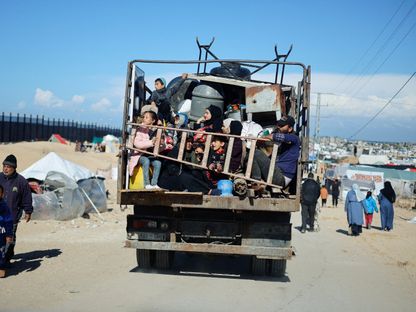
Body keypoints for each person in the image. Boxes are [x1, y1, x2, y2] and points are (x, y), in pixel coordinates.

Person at [0, 155, 33, 264]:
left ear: (14, 168)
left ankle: (7, 259)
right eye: (4, 166)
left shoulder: (21, 181)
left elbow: (27, 197)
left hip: (11, 217)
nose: (5, 168)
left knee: (9, 239)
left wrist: (28, 211)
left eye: (8, 166)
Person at [251, 115, 300, 188]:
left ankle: (257, 182)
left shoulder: (294, 138)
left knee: (256, 153)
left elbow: (276, 136)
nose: (278, 127)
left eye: (282, 126)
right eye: (279, 125)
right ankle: (258, 181)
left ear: (290, 129)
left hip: (281, 178)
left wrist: (264, 137)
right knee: (252, 154)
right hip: (276, 172)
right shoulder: (282, 143)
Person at [128, 111, 162, 189]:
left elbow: (157, 147)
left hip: (147, 154)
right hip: (137, 155)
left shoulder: (152, 131)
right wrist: (151, 142)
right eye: (144, 117)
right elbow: (137, 144)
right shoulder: (140, 129)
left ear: (152, 121)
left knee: (158, 163)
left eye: (146, 117)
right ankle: (147, 184)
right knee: (146, 161)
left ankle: (154, 183)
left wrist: (161, 144)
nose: (144, 119)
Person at [0, 185, 13, 278]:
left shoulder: (4, 206)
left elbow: (8, 221)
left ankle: (1, 268)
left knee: (1, 253)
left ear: (2, 194)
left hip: (1, 234)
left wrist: (9, 234)